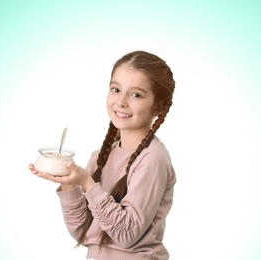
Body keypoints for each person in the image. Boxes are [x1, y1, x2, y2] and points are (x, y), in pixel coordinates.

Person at [29, 50, 176, 260]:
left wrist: (88, 184)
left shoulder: (153, 159)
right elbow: (81, 232)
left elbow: (127, 235)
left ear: (158, 107)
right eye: (116, 89)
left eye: (136, 94)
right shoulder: (100, 157)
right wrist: (70, 184)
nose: (121, 101)